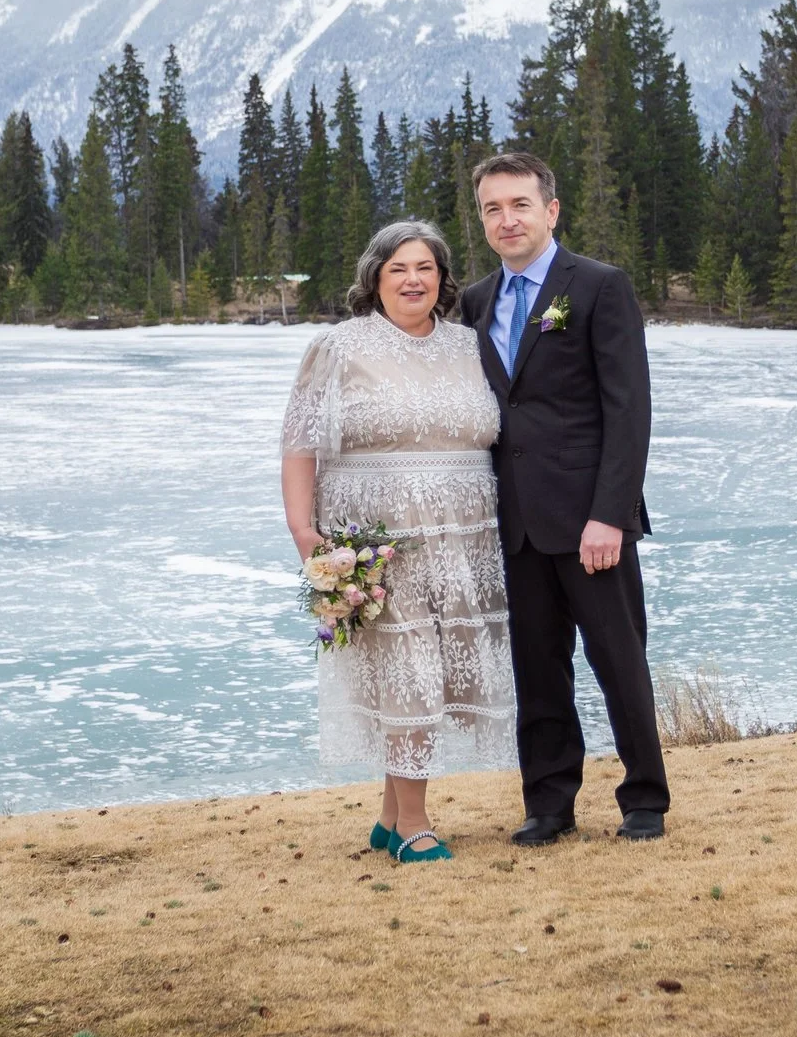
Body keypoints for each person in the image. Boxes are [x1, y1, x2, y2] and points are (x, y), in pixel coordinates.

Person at [279, 221, 514, 863]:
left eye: (426, 269)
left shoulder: (470, 345)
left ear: (442, 279)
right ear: (374, 280)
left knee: (428, 670)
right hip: (380, 538)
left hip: (467, 540)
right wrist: (306, 533)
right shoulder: (340, 346)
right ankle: (414, 823)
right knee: (405, 670)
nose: (414, 280)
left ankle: (389, 815)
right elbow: (298, 444)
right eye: (398, 270)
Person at [457, 152, 668, 845]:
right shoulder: (477, 302)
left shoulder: (599, 287)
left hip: (590, 521)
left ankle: (644, 797)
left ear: (551, 210)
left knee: (618, 661)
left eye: (519, 204)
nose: (506, 218)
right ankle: (549, 802)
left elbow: (628, 410)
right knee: (538, 670)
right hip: (515, 524)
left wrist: (610, 513)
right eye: (492, 207)